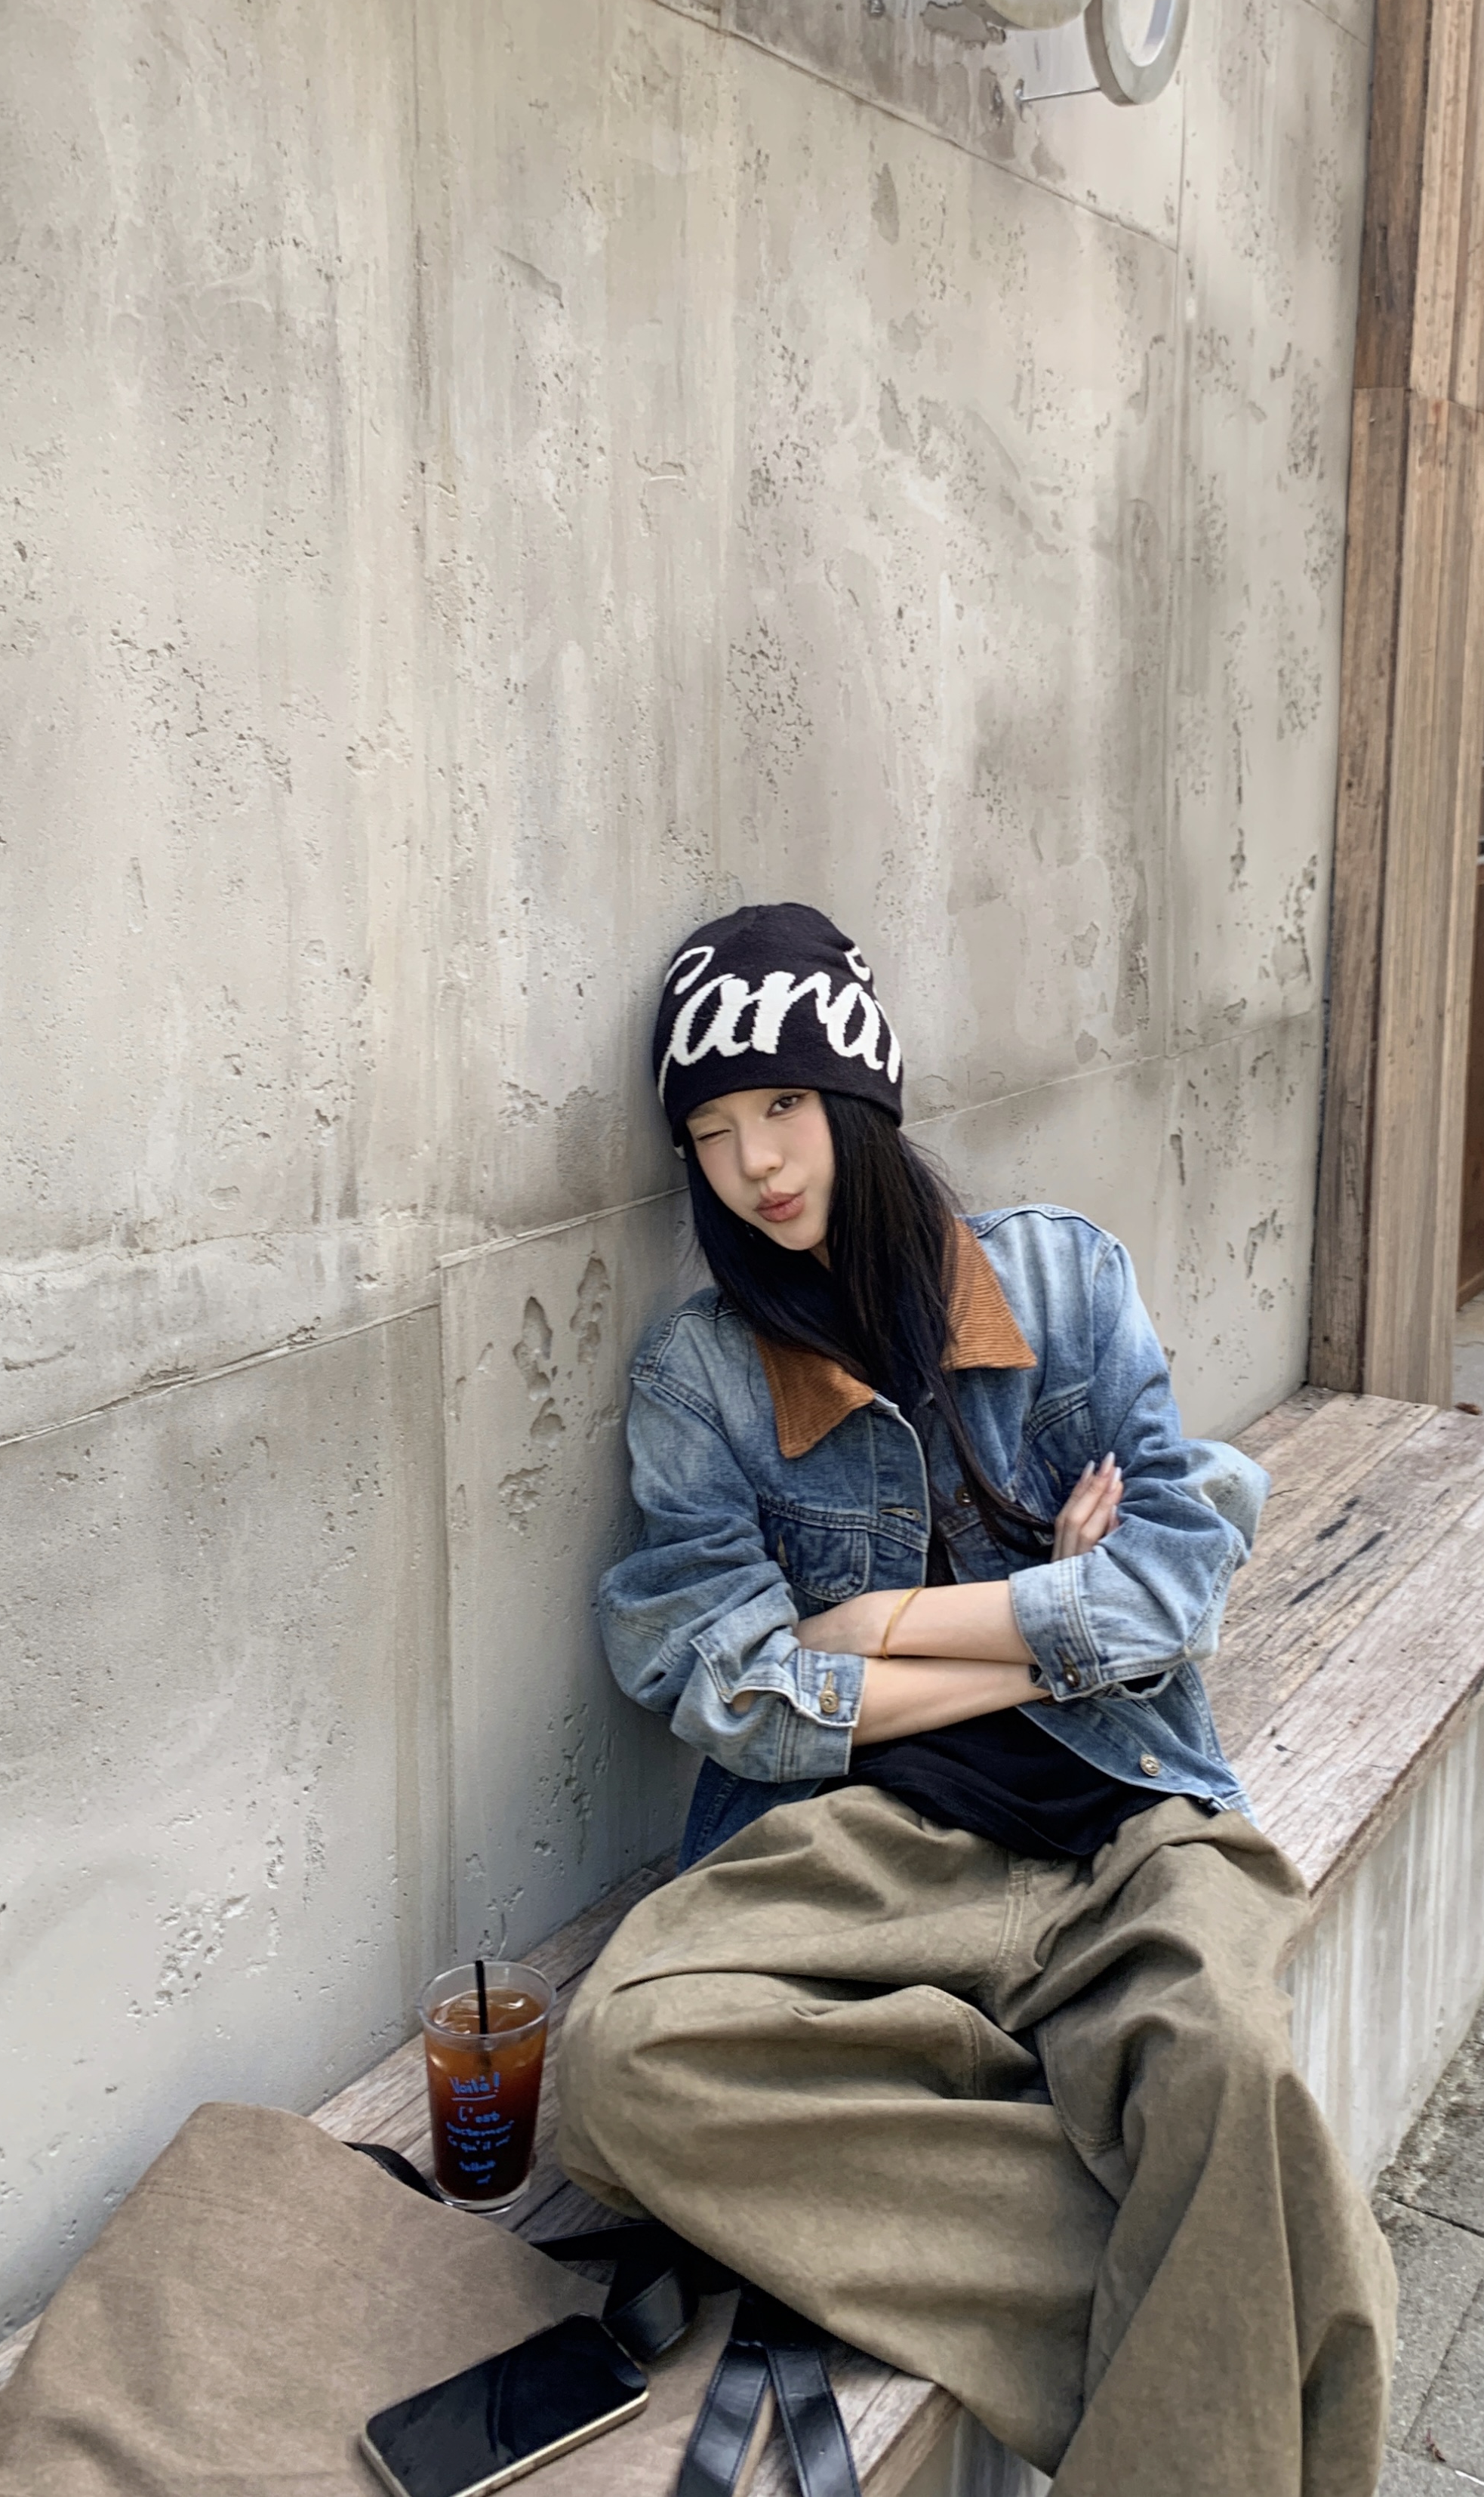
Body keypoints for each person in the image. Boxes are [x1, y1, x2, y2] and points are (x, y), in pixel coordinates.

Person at [554, 903, 1396, 2496]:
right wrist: (1051, 1621)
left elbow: (1178, 1575)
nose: (754, 1163)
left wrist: (876, 1622)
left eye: (783, 1104)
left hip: (1119, 1808)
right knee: (621, 2064)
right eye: (711, 1131)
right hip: (858, 1838)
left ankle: (1204, 2289)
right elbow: (721, 1678)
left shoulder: (1060, 1277)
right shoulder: (701, 1376)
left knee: (1226, 2061)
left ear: (859, 1096)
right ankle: (1233, 2304)